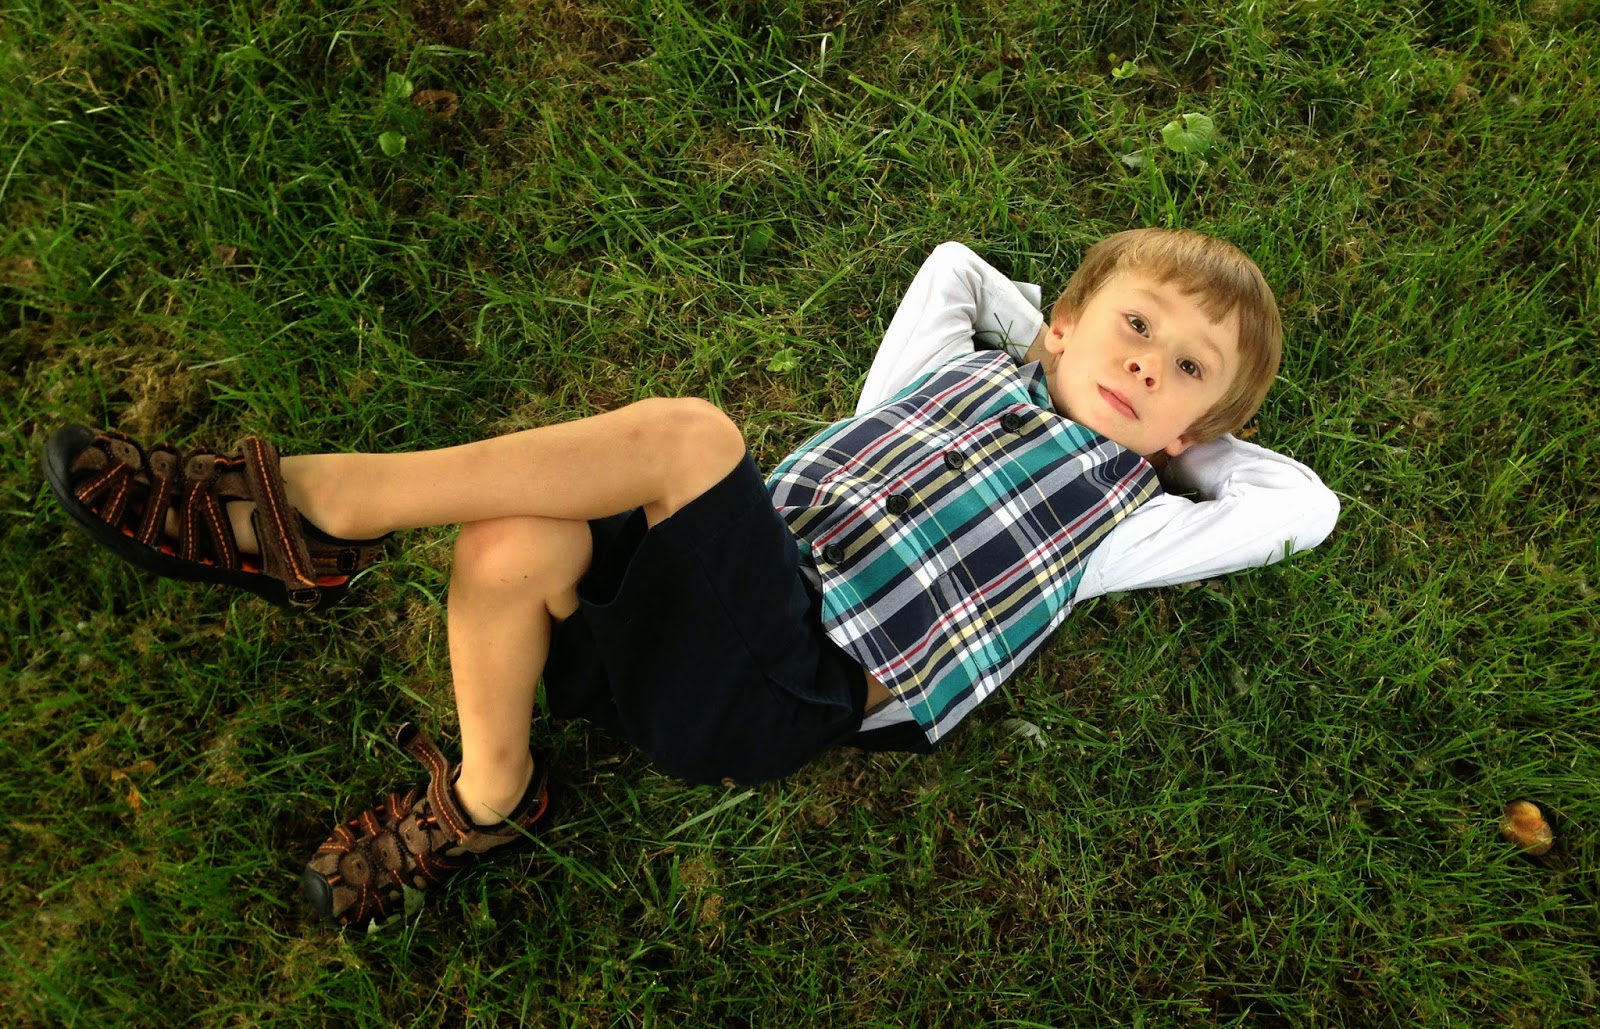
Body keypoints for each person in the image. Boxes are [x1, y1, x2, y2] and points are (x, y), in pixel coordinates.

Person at [44, 230, 1339, 929]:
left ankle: (314, 511)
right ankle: (490, 798)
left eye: (1187, 371)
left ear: (1200, 425)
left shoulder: (1128, 517)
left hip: (792, 685)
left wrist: (1181, 447)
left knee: (690, 438)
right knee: (509, 545)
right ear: (1062, 324)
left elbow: (1303, 508)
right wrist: (1041, 333)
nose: (1149, 364)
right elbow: (954, 268)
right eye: (1135, 326)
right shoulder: (940, 374)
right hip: (714, 607)